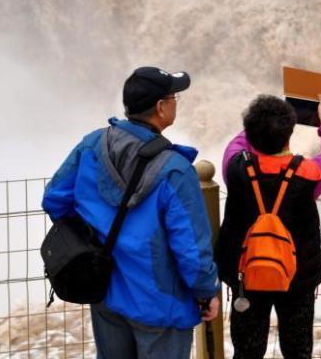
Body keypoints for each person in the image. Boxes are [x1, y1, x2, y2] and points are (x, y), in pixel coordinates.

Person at [42, 66, 220, 359]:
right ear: (162, 107)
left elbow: (54, 199)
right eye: (175, 96)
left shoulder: (93, 145)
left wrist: (91, 234)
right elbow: (191, 250)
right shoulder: (175, 171)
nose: (176, 102)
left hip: (105, 292)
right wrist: (206, 291)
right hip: (161, 304)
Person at [216, 94, 321, 359]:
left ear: (251, 133)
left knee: (247, 351)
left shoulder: (235, 169)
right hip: (296, 279)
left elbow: (236, 144)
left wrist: (261, 121)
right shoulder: (309, 174)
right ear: (289, 135)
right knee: (297, 352)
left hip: (246, 276)